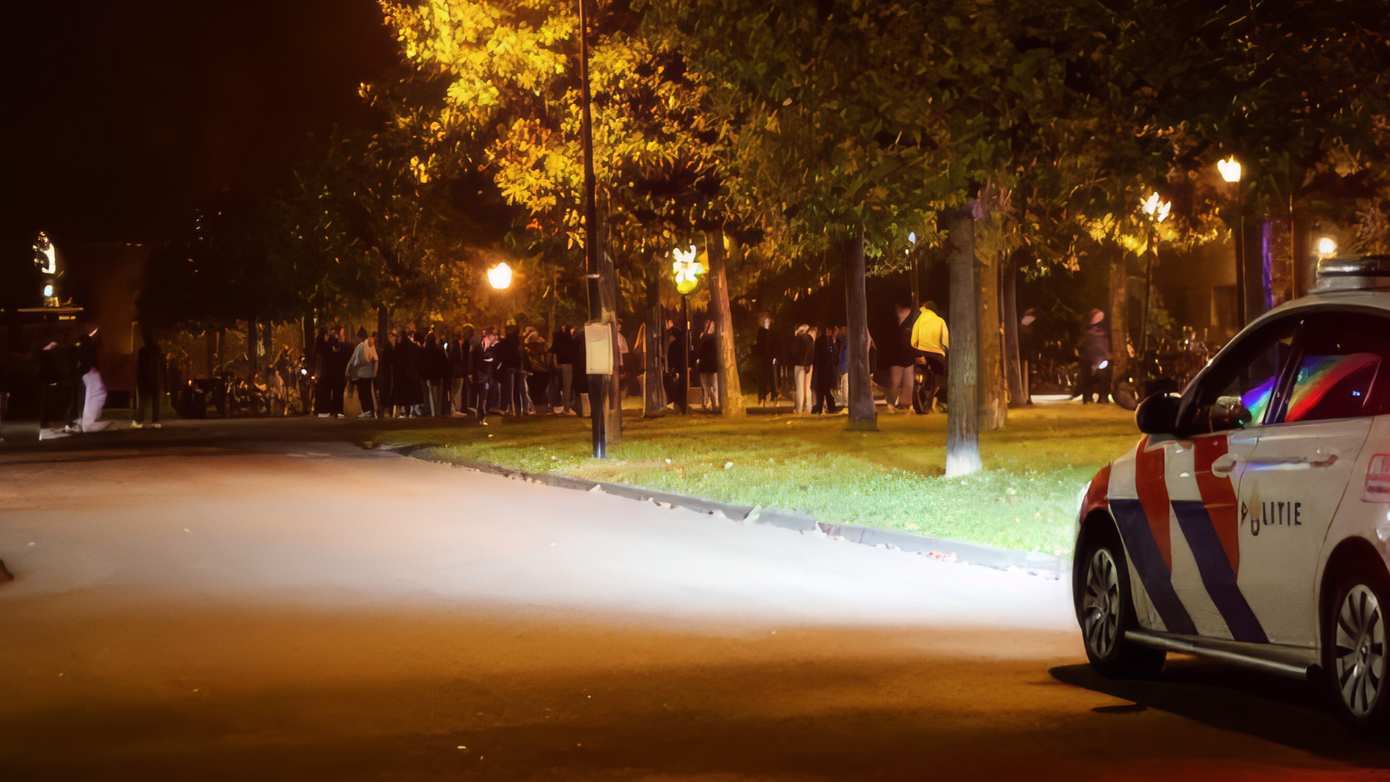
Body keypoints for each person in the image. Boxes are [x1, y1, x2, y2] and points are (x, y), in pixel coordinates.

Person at [911, 300, 949, 414]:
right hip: (936, 355)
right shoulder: (940, 321)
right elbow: (946, 342)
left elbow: (913, 341)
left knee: (918, 377)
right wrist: (944, 350)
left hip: (921, 354)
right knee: (939, 379)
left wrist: (917, 351)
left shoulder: (919, 320)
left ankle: (918, 400)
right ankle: (931, 403)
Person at [887, 302, 918, 413]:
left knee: (909, 383)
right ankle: (890, 404)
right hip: (896, 357)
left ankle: (906, 404)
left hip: (909, 356)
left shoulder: (912, 322)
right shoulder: (893, 324)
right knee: (895, 382)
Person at [1078, 309, 1112, 404]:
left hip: (1102, 358)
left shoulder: (1104, 332)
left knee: (1103, 378)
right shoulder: (1086, 331)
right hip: (1088, 358)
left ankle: (1103, 397)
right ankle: (1088, 397)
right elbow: (1081, 344)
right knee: (1087, 379)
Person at [132, 328, 164, 429]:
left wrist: (139, 380)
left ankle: (139, 420)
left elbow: (140, 368)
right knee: (155, 402)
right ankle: (155, 421)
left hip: (145, 380)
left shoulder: (143, 351)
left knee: (143, 402)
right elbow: (161, 366)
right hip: (155, 379)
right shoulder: (157, 350)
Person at [316, 327, 349, 418]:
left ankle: (326, 410)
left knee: (328, 392)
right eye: (342, 333)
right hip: (336, 373)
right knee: (337, 393)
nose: (343, 336)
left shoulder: (326, 346)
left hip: (329, 373)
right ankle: (337, 411)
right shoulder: (342, 346)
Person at [347, 328, 379, 418]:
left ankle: (366, 410)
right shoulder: (371, 346)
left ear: (359, 337)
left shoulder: (360, 346)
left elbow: (353, 360)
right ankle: (370, 410)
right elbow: (376, 359)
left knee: (363, 393)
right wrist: (374, 372)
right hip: (369, 374)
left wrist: (347, 370)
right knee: (368, 392)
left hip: (361, 374)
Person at [812, 324, 840, 414]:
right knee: (826, 390)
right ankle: (829, 407)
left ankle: (820, 407)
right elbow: (834, 355)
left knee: (823, 390)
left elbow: (817, 356)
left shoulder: (822, 341)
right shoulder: (826, 341)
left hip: (823, 369)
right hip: (826, 369)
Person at [474, 328, 500, 423]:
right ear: (489, 336)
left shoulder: (489, 347)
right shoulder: (480, 347)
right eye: (494, 335)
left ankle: (481, 415)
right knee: (482, 396)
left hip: (486, 375)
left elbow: (492, 359)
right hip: (481, 375)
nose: (495, 337)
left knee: (484, 396)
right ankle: (481, 416)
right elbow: (478, 360)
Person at [753, 314, 780, 405]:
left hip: (770, 358)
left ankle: (774, 396)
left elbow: (775, 346)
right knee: (763, 378)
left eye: (767, 321)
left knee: (773, 378)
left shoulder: (772, 333)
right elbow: (759, 346)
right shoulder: (761, 332)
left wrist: (775, 357)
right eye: (765, 321)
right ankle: (762, 397)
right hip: (763, 358)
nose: (766, 322)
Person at [791, 324, 814, 415]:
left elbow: (793, 351)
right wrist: (808, 363)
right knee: (807, 387)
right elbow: (811, 352)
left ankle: (799, 408)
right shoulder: (810, 339)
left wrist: (796, 335)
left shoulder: (798, 339)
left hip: (799, 365)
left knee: (799, 387)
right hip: (809, 365)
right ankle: (809, 407)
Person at [696, 319, 719, 412]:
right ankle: (708, 403)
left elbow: (700, 350)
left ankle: (710, 403)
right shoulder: (709, 337)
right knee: (707, 386)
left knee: (709, 386)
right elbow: (700, 350)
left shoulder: (707, 337)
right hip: (707, 364)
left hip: (709, 364)